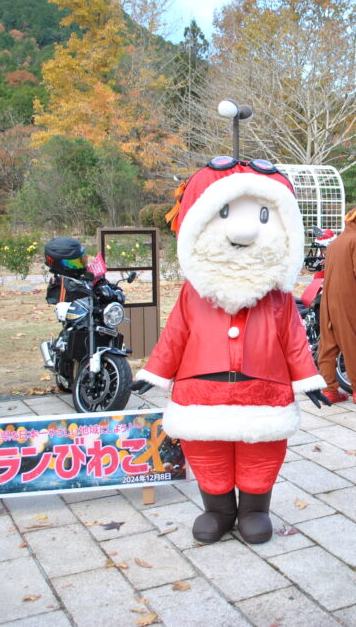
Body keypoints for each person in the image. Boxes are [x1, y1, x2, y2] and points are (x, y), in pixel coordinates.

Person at [133, 157, 329, 545]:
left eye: (262, 215)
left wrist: (309, 380)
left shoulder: (278, 297)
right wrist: (154, 372)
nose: (242, 229)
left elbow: (294, 338)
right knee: (207, 452)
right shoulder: (193, 292)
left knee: (262, 451)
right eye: (224, 213)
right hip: (199, 393)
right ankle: (217, 509)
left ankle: (255, 508)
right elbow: (176, 334)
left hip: (265, 390)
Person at [317, 207, 356, 405]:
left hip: (328, 300)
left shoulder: (335, 243)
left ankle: (329, 390)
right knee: (353, 345)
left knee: (328, 347)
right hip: (348, 300)